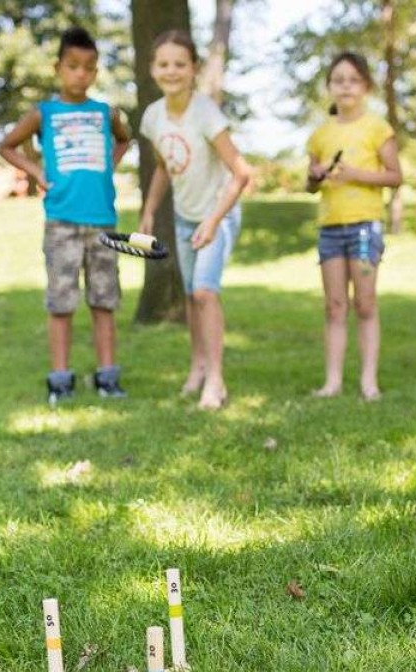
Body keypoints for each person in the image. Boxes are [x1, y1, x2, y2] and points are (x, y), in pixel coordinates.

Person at [0, 26, 131, 404]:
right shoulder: (44, 114)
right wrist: (37, 173)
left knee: (104, 300)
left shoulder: (106, 113)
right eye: (73, 66)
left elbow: (125, 138)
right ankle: (60, 378)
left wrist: (109, 164)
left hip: (103, 222)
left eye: (89, 67)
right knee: (62, 302)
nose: (81, 74)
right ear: (59, 68)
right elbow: (6, 145)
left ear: (96, 71)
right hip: (62, 223)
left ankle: (107, 376)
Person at [138, 30, 251, 410]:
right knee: (189, 296)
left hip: (218, 213)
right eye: (164, 64)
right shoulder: (153, 116)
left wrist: (214, 221)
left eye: (180, 64)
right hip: (186, 217)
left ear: (194, 69)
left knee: (205, 291)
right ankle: (197, 367)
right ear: (153, 69)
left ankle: (216, 381)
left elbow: (240, 173)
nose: (172, 71)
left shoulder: (206, 113)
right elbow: (163, 168)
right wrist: (149, 210)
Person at [306, 52, 402, 401]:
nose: (345, 86)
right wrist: (315, 176)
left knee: (364, 303)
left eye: (352, 79)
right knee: (334, 305)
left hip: (365, 227)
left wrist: (355, 175)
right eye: (338, 80)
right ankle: (332, 382)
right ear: (329, 87)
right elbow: (310, 185)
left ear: (366, 86)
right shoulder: (319, 135)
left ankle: (368, 381)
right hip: (330, 228)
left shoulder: (378, 128)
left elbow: (395, 176)